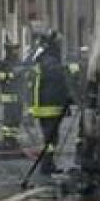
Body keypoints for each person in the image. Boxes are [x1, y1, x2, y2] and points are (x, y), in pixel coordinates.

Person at [29, 32, 73, 175]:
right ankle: (46, 165)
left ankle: (48, 164)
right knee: (51, 138)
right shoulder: (51, 62)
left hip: (44, 105)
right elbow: (59, 80)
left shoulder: (43, 59)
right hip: (49, 106)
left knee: (50, 138)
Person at [0, 41, 23, 149]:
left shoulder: (19, 62)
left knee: (16, 119)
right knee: (8, 120)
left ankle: (13, 139)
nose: (16, 51)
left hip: (18, 95)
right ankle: (7, 139)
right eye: (14, 49)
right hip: (8, 96)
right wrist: (10, 75)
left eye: (17, 49)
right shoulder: (3, 64)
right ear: (9, 51)